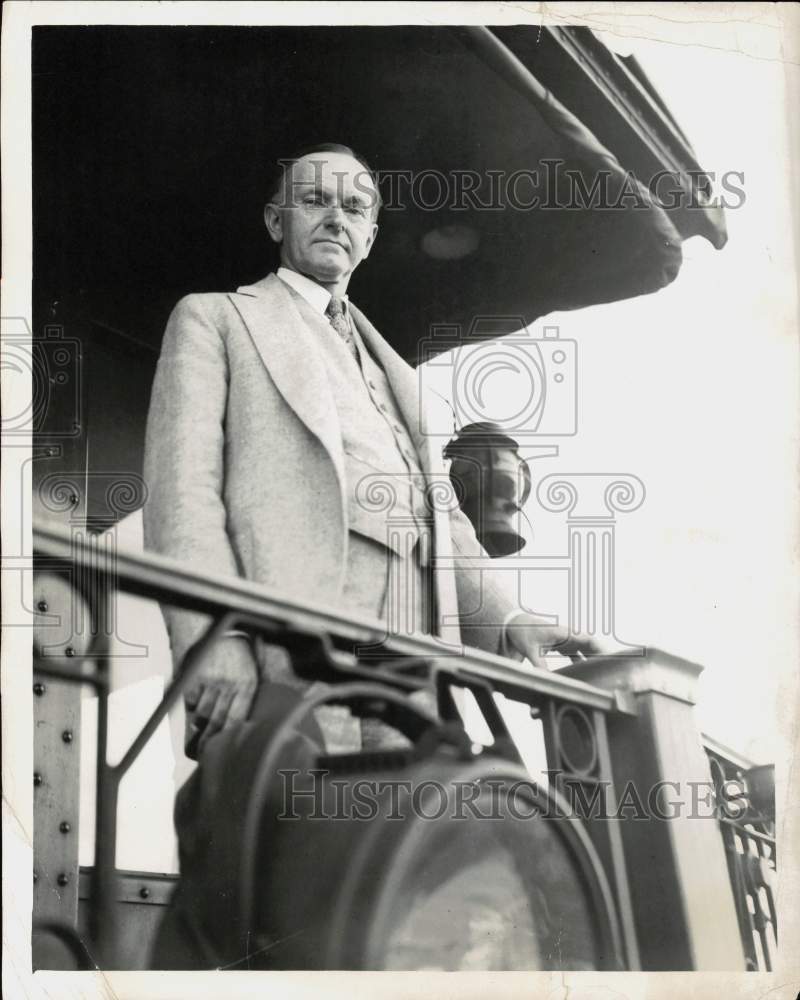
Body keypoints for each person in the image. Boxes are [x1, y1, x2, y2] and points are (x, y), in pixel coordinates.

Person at [142, 143, 600, 966]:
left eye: (354, 208)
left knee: (394, 892)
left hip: (410, 664)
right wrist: (218, 643)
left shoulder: (401, 377)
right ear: (277, 219)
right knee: (276, 884)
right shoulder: (215, 319)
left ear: (372, 236)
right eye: (313, 200)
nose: (334, 217)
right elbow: (183, 495)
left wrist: (511, 623)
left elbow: (448, 528)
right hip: (284, 651)